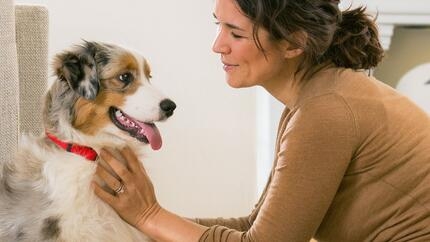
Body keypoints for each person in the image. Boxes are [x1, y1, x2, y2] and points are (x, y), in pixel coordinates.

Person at [93, 0, 430, 241]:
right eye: (218, 25)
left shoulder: (325, 110)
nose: (217, 46)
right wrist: (138, 226)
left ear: (294, 43)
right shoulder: (316, 97)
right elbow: (255, 225)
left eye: (235, 34)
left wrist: (149, 215)